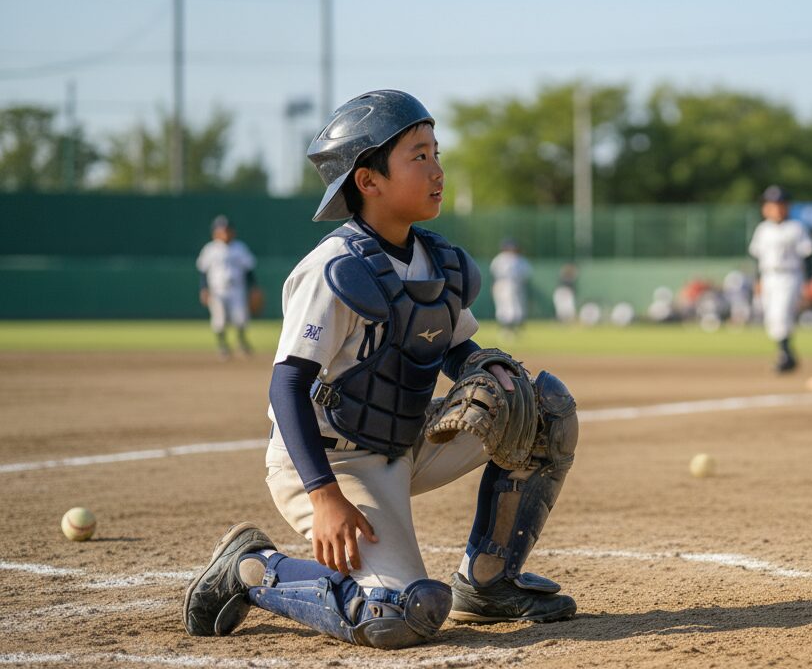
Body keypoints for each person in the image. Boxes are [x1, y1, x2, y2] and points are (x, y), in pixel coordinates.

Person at [182, 90, 578, 649]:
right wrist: (324, 496)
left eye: (436, 152)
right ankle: (251, 570)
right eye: (419, 156)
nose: (437, 169)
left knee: (542, 409)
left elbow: (453, 346)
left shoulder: (434, 261)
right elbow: (288, 384)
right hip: (332, 461)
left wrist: (488, 368)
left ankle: (490, 583)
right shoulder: (332, 271)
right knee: (399, 614)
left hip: (404, 440)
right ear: (368, 180)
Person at [748, 185, 812, 372]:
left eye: (779, 204)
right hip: (769, 276)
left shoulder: (796, 228)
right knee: (771, 317)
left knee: (781, 314)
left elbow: (809, 256)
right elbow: (756, 258)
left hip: (790, 276)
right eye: (771, 204)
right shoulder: (762, 229)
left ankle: (786, 355)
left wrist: (809, 282)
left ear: (787, 206)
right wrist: (758, 281)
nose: (775, 208)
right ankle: (787, 354)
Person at [195, 215, 259, 358]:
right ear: (215, 232)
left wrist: (254, 288)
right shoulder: (210, 249)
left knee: (241, 318)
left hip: (237, 289)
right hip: (217, 290)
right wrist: (203, 288)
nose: (225, 233)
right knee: (219, 319)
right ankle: (223, 346)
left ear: (232, 232)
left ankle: (242, 342)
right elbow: (203, 271)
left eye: (227, 230)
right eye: (221, 230)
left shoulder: (240, 247)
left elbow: (249, 270)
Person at [490, 238, 532, 336]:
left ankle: (509, 329)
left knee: (509, 307)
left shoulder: (500, 258)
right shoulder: (515, 259)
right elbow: (526, 275)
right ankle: (509, 329)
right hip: (507, 284)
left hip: (506, 283)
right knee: (510, 307)